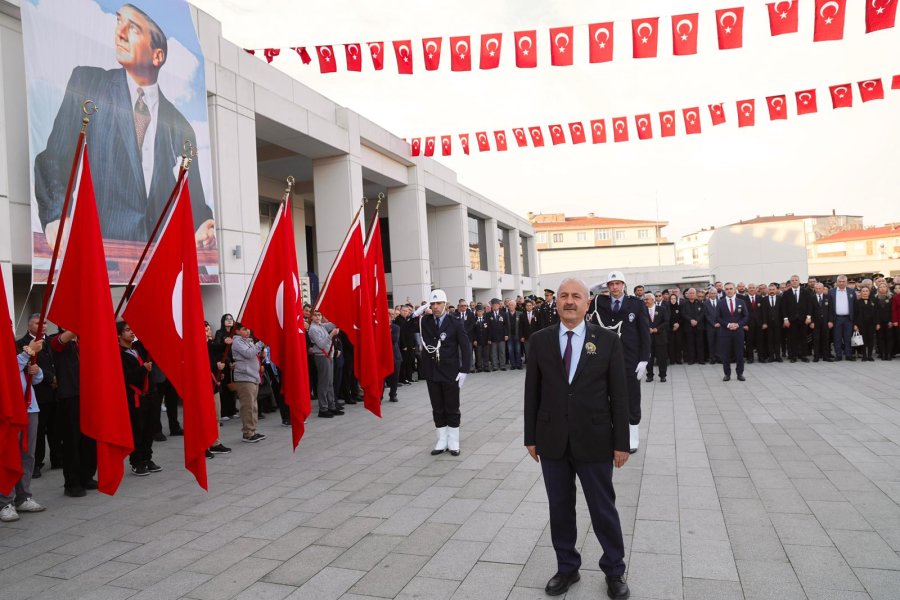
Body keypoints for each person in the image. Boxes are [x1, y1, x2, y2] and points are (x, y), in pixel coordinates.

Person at [34, 3, 214, 247]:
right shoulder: (88, 84)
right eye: (119, 21)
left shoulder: (181, 126)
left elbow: (194, 203)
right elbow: (53, 160)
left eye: (134, 29)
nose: (119, 32)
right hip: (101, 255)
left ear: (157, 55)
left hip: (158, 260)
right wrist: (57, 217)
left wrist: (204, 225)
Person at [523, 278, 630, 600]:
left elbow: (620, 395)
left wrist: (621, 442)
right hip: (552, 439)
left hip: (596, 438)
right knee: (560, 508)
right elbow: (533, 392)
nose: (569, 301)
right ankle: (567, 567)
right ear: (556, 303)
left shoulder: (608, 340)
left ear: (587, 303)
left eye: (576, 297)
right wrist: (531, 437)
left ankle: (614, 569)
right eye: (563, 296)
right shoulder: (540, 341)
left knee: (602, 508)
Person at [590, 271, 649, 454]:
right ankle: (610, 433)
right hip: (605, 359)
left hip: (630, 359)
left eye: (618, 283)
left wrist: (644, 359)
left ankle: (632, 435)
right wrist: (598, 286)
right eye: (611, 284)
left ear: (624, 285)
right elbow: (587, 296)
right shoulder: (600, 302)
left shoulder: (636, 304)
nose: (615, 287)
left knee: (631, 397)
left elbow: (644, 332)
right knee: (604, 396)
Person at [413, 289, 471, 456]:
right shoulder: (426, 321)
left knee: (452, 406)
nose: (435, 307)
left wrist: (464, 370)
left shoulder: (455, 322)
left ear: (445, 304)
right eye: (433, 304)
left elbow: (465, 347)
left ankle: (453, 441)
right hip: (432, 371)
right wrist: (418, 312)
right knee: (437, 407)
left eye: (438, 303)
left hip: (450, 371)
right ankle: (441, 439)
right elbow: (408, 327)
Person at [1, 338, 47, 523]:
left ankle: (23, 496)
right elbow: (8, 373)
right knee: (8, 455)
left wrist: (36, 371)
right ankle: (5, 501)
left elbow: (36, 379)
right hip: (9, 412)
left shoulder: (20, 354)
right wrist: (26, 354)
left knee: (27, 455)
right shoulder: (15, 357)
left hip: (29, 408)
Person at [51, 330, 98, 497]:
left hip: (89, 395)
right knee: (72, 441)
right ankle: (72, 482)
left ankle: (87, 476)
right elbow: (60, 342)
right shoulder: (57, 341)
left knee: (90, 439)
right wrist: (77, 325)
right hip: (70, 397)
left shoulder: (83, 340)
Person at [16, 314, 59, 479]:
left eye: (45, 323)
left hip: (54, 390)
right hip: (38, 392)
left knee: (55, 427)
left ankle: (57, 458)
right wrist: (49, 377)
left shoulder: (50, 341)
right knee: (38, 431)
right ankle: (36, 464)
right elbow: (27, 367)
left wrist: (56, 378)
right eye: (37, 323)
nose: (43, 326)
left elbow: (55, 362)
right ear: (29, 326)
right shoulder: (22, 344)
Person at [117, 321, 161, 476]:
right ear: (119, 334)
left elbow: (150, 339)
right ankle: (137, 462)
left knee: (150, 428)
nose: (131, 332)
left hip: (149, 394)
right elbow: (125, 377)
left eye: (132, 329)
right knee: (137, 430)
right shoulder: (118, 354)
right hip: (133, 396)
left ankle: (147, 458)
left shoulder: (137, 349)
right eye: (127, 330)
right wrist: (142, 369)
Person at [229, 323, 267, 442]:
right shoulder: (237, 342)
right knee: (248, 406)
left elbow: (253, 354)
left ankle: (252, 430)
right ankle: (248, 433)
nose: (248, 331)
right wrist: (260, 343)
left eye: (248, 329)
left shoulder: (248, 341)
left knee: (253, 406)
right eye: (244, 329)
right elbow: (249, 353)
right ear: (237, 331)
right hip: (244, 377)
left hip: (252, 376)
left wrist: (261, 353)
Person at [308, 311, 341, 418]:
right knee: (324, 382)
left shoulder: (321, 325)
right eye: (315, 315)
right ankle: (323, 408)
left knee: (330, 382)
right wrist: (331, 335)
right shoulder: (313, 329)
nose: (318, 317)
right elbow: (321, 344)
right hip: (322, 356)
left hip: (328, 355)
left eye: (319, 315)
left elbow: (334, 323)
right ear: (312, 317)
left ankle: (331, 406)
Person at [205, 321, 232, 453]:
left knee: (216, 415)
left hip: (213, 385)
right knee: (205, 417)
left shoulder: (210, 344)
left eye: (209, 329)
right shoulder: (197, 346)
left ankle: (215, 442)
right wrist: (216, 366)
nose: (208, 332)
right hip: (203, 388)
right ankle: (205, 444)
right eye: (205, 330)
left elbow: (219, 348)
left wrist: (226, 343)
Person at [716, 283, 749, 381]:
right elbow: (718, 317)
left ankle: (740, 373)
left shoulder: (741, 302)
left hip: (738, 332)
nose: (729, 290)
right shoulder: (720, 302)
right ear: (724, 290)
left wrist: (738, 324)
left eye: (731, 288)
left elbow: (746, 316)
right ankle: (727, 374)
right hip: (725, 332)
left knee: (739, 353)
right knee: (725, 354)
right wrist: (728, 325)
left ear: (735, 290)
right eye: (727, 289)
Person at [781, 275, 813, 363]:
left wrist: (809, 317)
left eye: (796, 280)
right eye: (793, 280)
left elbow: (809, 305)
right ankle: (793, 356)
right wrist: (785, 319)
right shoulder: (786, 293)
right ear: (790, 282)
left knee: (803, 338)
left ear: (799, 281)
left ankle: (803, 355)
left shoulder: (805, 292)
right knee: (792, 338)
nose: (794, 281)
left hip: (803, 319)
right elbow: (784, 307)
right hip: (791, 320)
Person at [828, 275, 857, 361]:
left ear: (846, 282)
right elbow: (829, 307)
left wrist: (855, 321)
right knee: (837, 338)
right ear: (836, 282)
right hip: (836, 319)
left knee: (848, 337)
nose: (841, 283)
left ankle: (848, 355)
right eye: (839, 282)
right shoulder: (831, 292)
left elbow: (855, 307)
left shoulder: (851, 291)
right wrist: (830, 320)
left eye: (843, 282)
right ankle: (838, 355)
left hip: (848, 319)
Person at [644, 292, 668, 383]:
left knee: (662, 358)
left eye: (647, 299)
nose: (645, 301)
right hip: (647, 338)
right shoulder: (642, 310)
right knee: (648, 358)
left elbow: (666, 322)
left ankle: (662, 375)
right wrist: (647, 328)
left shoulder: (662, 309)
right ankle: (649, 375)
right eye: (645, 299)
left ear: (653, 300)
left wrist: (656, 329)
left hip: (660, 337)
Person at [680, 288, 704, 365]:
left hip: (699, 326)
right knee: (690, 344)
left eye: (693, 293)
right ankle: (691, 360)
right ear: (687, 294)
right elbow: (683, 313)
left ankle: (701, 360)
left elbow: (702, 313)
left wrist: (696, 320)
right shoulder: (684, 303)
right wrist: (691, 320)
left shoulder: (700, 303)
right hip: (688, 326)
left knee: (700, 343)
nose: (691, 294)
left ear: (695, 294)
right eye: (690, 293)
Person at [486, 298, 510, 371]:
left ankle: (502, 365)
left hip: (502, 336)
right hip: (493, 337)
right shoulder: (488, 315)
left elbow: (506, 325)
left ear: (499, 305)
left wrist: (506, 335)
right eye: (494, 305)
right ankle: (495, 366)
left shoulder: (503, 314)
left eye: (496, 304)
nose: (495, 306)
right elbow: (488, 328)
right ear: (492, 306)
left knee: (502, 351)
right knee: (494, 353)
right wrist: (489, 338)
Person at [761, 283, 783, 362]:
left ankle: (778, 356)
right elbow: (763, 312)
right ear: (767, 290)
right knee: (769, 340)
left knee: (777, 340)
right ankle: (771, 357)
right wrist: (764, 322)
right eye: (770, 290)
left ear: (776, 290)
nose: (772, 291)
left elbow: (782, 311)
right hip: (768, 324)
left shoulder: (780, 299)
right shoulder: (764, 300)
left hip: (778, 323)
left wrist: (783, 321)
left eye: (773, 290)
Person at [810, 283, 833, 362]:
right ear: (814, 289)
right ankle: (816, 356)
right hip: (816, 322)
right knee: (816, 339)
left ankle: (826, 356)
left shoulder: (828, 297)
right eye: (817, 288)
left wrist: (830, 321)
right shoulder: (812, 298)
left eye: (820, 288)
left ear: (823, 289)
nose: (818, 290)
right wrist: (811, 322)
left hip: (826, 322)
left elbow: (831, 310)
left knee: (826, 339)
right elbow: (810, 311)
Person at [854, 287, 877, 361]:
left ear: (869, 292)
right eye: (863, 291)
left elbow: (877, 313)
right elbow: (855, 314)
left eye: (866, 291)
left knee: (871, 339)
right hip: (861, 324)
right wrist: (855, 324)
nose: (865, 292)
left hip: (871, 324)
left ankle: (870, 355)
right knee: (863, 340)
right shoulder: (857, 302)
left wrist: (877, 323)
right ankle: (864, 355)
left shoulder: (873, 301)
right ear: (860, 292)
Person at [874, 283, 893, 360]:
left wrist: (891, 321)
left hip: (889, 321)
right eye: (880, 287)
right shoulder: (875, 298)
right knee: (880, 338)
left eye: (884, 287)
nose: (882, 288)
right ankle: (883, 354)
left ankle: (889, 354)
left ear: (887, 288)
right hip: (879, 322)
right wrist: (877, 323)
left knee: (889, 338)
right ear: (878, 289)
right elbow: (874, 312)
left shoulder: (891, 297)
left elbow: (892, 311)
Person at [703, 287, 721, 364]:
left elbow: (722, 314)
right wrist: (713, 324)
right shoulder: (705, 303)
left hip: (720, 326)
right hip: (710, 326)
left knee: (719, 342)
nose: (713, 295)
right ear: (709, 294)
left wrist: (719, 323)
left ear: (716, 294)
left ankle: (719, 358)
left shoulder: (721, 302)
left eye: (714, 293)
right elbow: (706, 315)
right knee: (711, 342)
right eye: (712, 293)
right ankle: (712, 358)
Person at [506, 299, 523, 370]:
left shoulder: (520, 313)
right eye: (510, 305)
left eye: (512, 305)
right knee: (510, 350)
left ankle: (519, 364)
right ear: (508, 306)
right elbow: (504, 326)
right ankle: (513, 365)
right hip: (509, 336)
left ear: (515, 306)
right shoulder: (505, 314)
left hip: (517, 335)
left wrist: (522, 336)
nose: (511, 306)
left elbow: (522, 326)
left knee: (518, 350)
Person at [472, 304, 490, 373]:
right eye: (478, 311)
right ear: (476, 312)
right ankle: (479, 367)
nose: (479, 313)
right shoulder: (474, 320)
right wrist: (475, 340)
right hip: (478, 340)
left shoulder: (486, 319)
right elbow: (473, 331)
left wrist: (489, 339)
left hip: (485, 340)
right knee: (478, 354)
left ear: (483, 312)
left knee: (486, 354)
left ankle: (486, 366)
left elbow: (489, 330)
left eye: (481, 311)